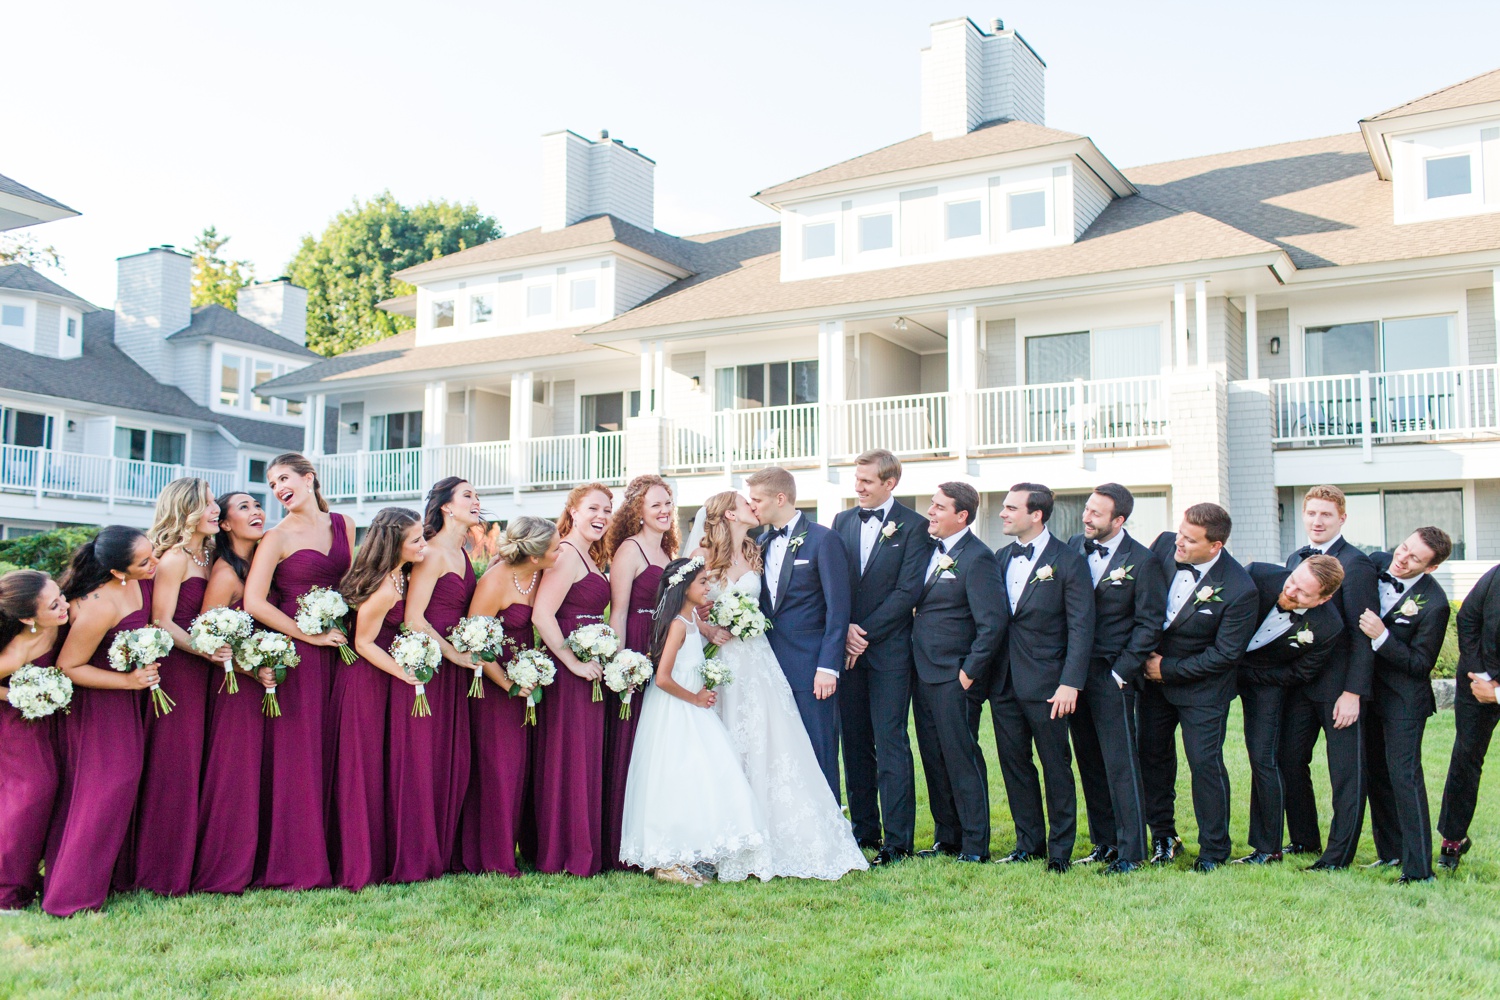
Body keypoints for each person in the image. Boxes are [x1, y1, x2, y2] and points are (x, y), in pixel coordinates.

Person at [690, 491, 867, 880]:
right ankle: (727, 835)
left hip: (759, 660)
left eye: (756, 499)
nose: (754, 506)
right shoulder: (703, 557)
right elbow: (684, 608)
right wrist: (709, 627)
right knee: (727, 742)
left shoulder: (757, 550)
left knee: (774, 742)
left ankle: (785, 829)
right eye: (746, 501)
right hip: (723, 661)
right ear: (730, 513)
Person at [619, 557, 770, 885]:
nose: (707, 588)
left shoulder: (689, 620)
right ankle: (666, 859)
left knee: (697, 776)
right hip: (675, 709)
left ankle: (683, 852)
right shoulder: (676, 624)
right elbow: (662, 678)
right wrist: (697, 698)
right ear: (684, 588)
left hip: (690, 705)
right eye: (702, 582)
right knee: (674, 777)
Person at [244, 452, 353, 891]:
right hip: (300, 653)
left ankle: (339, 852)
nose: (276, 489)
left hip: (342, 649)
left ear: (309, 479)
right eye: (271, 484)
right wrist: (308, 637)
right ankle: (297, 861)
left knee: (338, 749)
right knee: (301, 752)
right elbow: (254, 601)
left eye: (283, 478)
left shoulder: (342, 525)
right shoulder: (275, 537)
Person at [974, 483, 1093, 872]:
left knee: (1056, 766)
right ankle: (1030, 843)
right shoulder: (1001, 556)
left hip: (1049, 684)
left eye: (1011, 508)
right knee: (1014, 763)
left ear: (1036, 514)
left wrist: (1070, 682)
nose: (1003, 514)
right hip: (1003, 681)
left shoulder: (1068, 561)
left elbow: (1081, 627)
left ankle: (1060, 851)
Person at [42, 526, 161, 916]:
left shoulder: (140, 581)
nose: (154, 563)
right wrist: (128, 682)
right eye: (144, 561)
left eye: (152, 553)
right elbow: (69, 667)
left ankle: (103, 879)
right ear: (117, 572)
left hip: (125, 703)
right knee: (106, 789)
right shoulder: (99, 606)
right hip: (97, 706)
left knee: (118, 787)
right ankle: (70, 897)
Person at [1139, 503, 1257, 871]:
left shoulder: (1240, 589)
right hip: (1151, 685)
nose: (1180, 542)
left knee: (1205, 765)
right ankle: (1163, 836)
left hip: (1203, 691)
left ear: (1216, 546)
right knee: (1152, 757)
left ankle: (1214, 850)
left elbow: (1226, 655)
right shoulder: (1162, 546)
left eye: (1190, 540)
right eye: (1180, 532)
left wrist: (1168, 669)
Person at [829, 450, 928, 865]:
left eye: (867, 481)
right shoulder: (842, 522)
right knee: (853, 744)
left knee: (890, 742)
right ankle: (864, 830)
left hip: (888, 652)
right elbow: (837, 583)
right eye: (856, 479)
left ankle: (898, 840)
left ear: (890, 483)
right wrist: (845, 631)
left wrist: (862, 633)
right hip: (848, 653)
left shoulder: (916, 526)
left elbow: (908, 592)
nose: (858, 487)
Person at [1065, 483, 1166, 874]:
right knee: (1088, 759)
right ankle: (1104, 842)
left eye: (1096, 513)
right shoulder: (1074, 545)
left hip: (1112, 673)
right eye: (1087, 509)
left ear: (1118, 520)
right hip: (1074, 673)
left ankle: (1132, 851)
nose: (1087, 517)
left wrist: (1121, 673)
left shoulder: (1142, 561)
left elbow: (1148, 625)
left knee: (1120, 763)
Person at [1280, 485, 1378, 871]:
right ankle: (1304, 840)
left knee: (1345, 773)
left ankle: (1337, 856)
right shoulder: (1295, 557)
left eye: (1326, 515)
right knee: (1288, 759)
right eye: (1312, 514)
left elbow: (1361, 634)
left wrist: (1353, 691)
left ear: (1342, 518)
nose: (1317, 521)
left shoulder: (1356, 564)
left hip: (1340, 687)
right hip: (1301, 682)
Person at [133, 478, 221, 896]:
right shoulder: (172, 559)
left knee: (202, 763)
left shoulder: (209, 553)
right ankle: (160, 870)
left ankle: (196, 860)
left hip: (208, 671)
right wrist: (205, 651)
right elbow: (161, 620)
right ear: (186, 511)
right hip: (179, 671)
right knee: (176, 767)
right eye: (206, 504)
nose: (215, 508)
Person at [911, 482, 1004, 864]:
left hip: (954, 676)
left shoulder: (977, 557)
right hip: (922, 672)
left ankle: (974, 845)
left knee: (962, 758)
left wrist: (968, 674)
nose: (930, 512)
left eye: (938, 507)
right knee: (934, 757)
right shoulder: (929, 551)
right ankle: (946, 837)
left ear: (961, 516)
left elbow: (993, 623)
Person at [460, 517, 560, 876]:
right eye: (554, 546)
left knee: (523, 768)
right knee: (500, 769)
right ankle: (493, 856)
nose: (559, 551)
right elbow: (474, 640)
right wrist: (507, 682)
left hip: (527, 678)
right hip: (493, 683)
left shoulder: (540, 576)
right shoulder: (494, 581)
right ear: (535, 555)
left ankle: (526, 845)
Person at [744, 466, 851, 797]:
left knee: (819, 752)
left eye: (756, 500)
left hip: (811, 668)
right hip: (768, 666)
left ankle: (832, 832)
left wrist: (828, 666)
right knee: (781, 755)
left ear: (780, 498)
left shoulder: (824, 539)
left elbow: (838, 609)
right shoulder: (759, 543)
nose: (752, 507)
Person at [333, 508, 424, 889]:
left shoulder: (399, 575)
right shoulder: (384, 588)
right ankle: (360, 862)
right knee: (363, 767)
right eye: (416, 540)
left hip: (382, 675)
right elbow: (363, 643)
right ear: (394, 545)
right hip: (365, 681)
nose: (423, 545)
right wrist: (403, 672)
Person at [1235, 557, 1344, 865]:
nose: (1291, 591)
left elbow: (1299, 673)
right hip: (1216, 664)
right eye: (1293, 581)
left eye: (1303, 593)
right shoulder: (1258, 575)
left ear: (1323, 599)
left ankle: (1268, 848)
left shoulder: (1328, 626)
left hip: (1267, 681)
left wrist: (1249, 676)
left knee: (1264, 758)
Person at [1359, 527, 1452, 883]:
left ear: (1429, 568)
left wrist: (1381, 636)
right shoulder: (1376, 562)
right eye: (1403, 548)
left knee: (1404, 778)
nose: (1402, 558)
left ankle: (1419, 870)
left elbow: (1419, 665)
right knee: (1376, 774)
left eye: (1414, 558)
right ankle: (1391, 853)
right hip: (1367, 694)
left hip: (1404, 702)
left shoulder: (1436, 604)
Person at [193, 492, 273, 894]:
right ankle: (225, 867)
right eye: (243, 507)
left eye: (257, 504)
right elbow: (207, 640)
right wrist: (251, 669)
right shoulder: (226, 574)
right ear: (224, 525)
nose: (256, 511)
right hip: (236, 686)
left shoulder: (264, 557)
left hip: (267, 679)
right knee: (237, 774)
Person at [532, 483, 614, 876]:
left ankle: (583, 846)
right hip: (569, 674)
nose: (602, 516)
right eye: (594, 508)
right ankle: (565, 850)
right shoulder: (565, 553)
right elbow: (542, 615)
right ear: (573, 512)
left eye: (607, 510)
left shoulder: (590, 555)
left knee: (583, 756)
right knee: (569, 756)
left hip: (590, 666)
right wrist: (572, 662)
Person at [404, 478, 481, 872]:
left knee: (454, 757)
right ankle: (419, 853)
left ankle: (446, 850)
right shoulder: (431, 552)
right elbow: (413, 618)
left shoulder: (464, 552)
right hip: (432, 667)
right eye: (468, 495)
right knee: (426, 757)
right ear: (447, 507)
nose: (476, 500)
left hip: (457, 666)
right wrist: (452, 653)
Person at [602, 475, 676, 871]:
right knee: (631, 740)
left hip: (665, 647)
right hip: (635, 643)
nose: (665, 511)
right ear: (638, 511)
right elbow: (618, 611)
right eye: (656, 505)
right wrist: (620, 661)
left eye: (668, 503)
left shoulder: (668, 551)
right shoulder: (629, 550)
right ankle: (621, 839)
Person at [0, 571, 69, 913]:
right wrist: (20, 695)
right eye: (54, 604)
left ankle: (38, 876)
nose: (64, 606)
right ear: (28, 617)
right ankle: (7, 890)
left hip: (57, 721)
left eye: (61, 596)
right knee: (30, 798)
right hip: (21, 727)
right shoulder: (18, 647)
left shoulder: (65, 619)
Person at [1435, 559, 1500, 872]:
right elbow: (1468, 618)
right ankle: (1452, 839)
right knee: (1466, 755)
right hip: (1478, 677)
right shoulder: (1496, 576)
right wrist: (1480, 675)